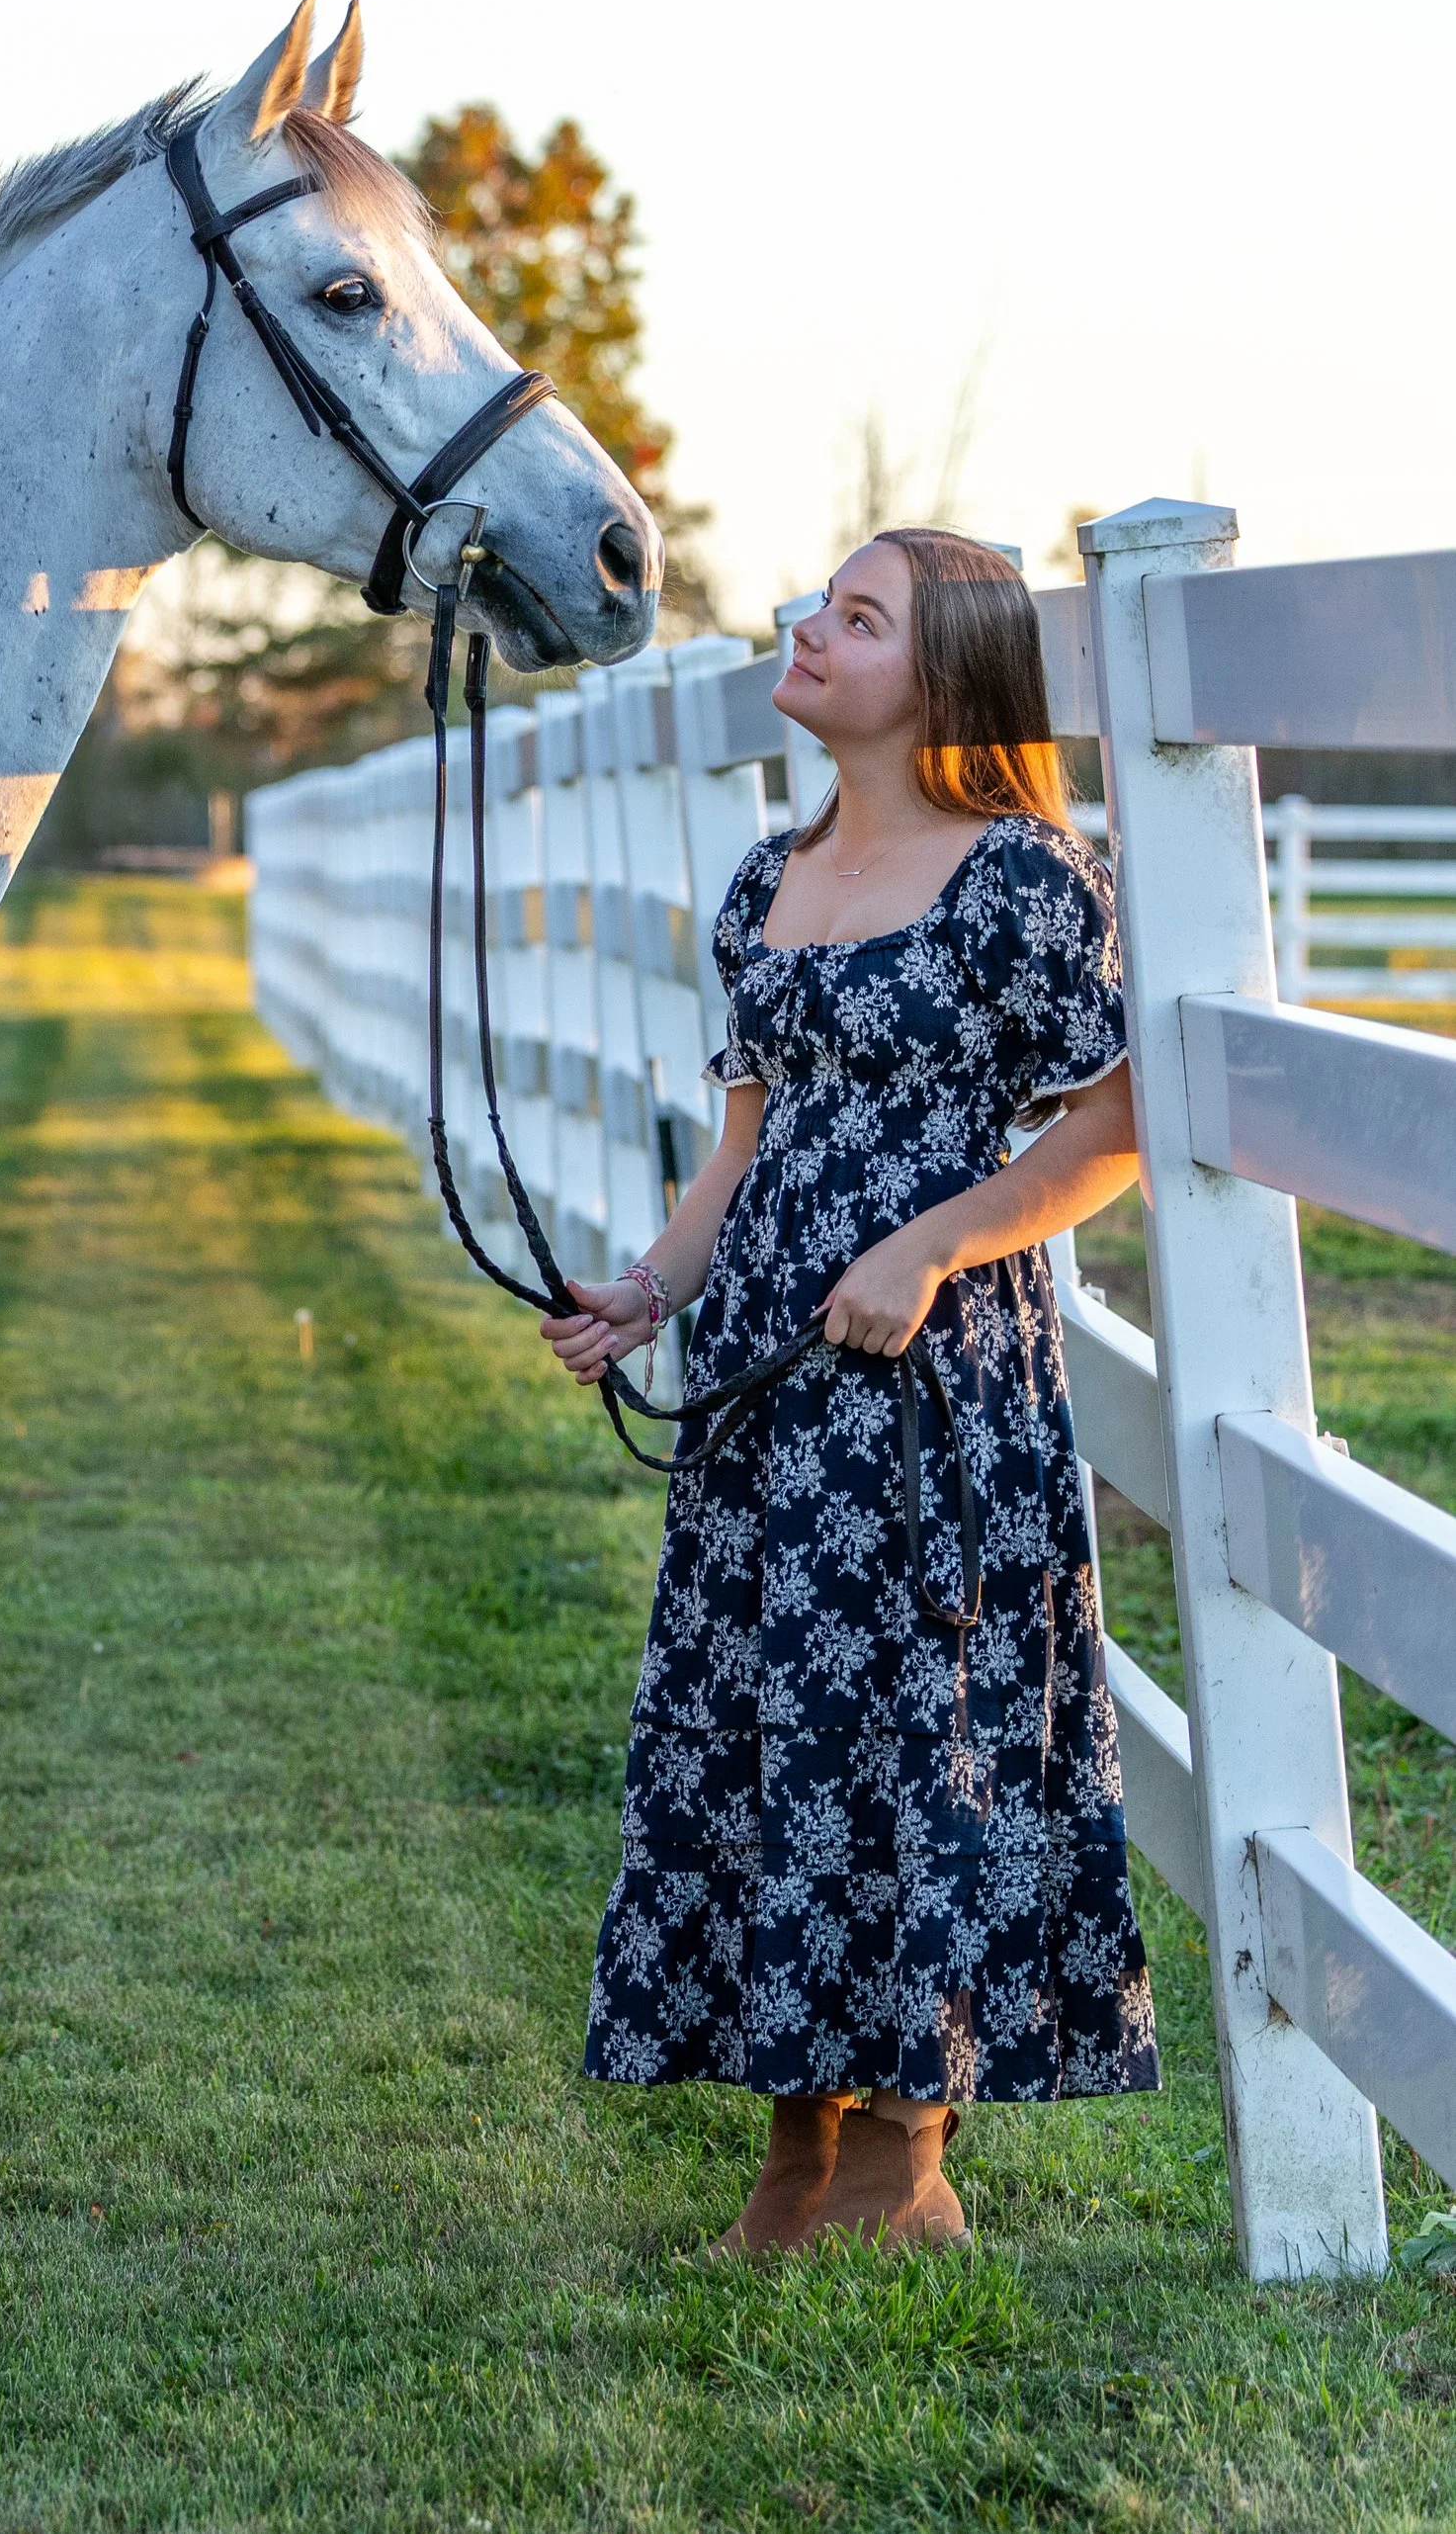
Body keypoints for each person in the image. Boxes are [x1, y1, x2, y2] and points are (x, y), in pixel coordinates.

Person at [545, 529, 1157, 2252]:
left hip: (930, 1379)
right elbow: (738, 1152)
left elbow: (1113, 1130)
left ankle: (907, 2141)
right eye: (824, 601)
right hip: (766, 1386)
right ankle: (795, 2137)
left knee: (917, 1722)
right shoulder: (768, 879)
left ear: (943, 678)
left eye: (858, 616)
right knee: (773, 1725)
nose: (809, 627)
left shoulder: (1028, 880)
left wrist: (932, 1247)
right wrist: (648, 1290)